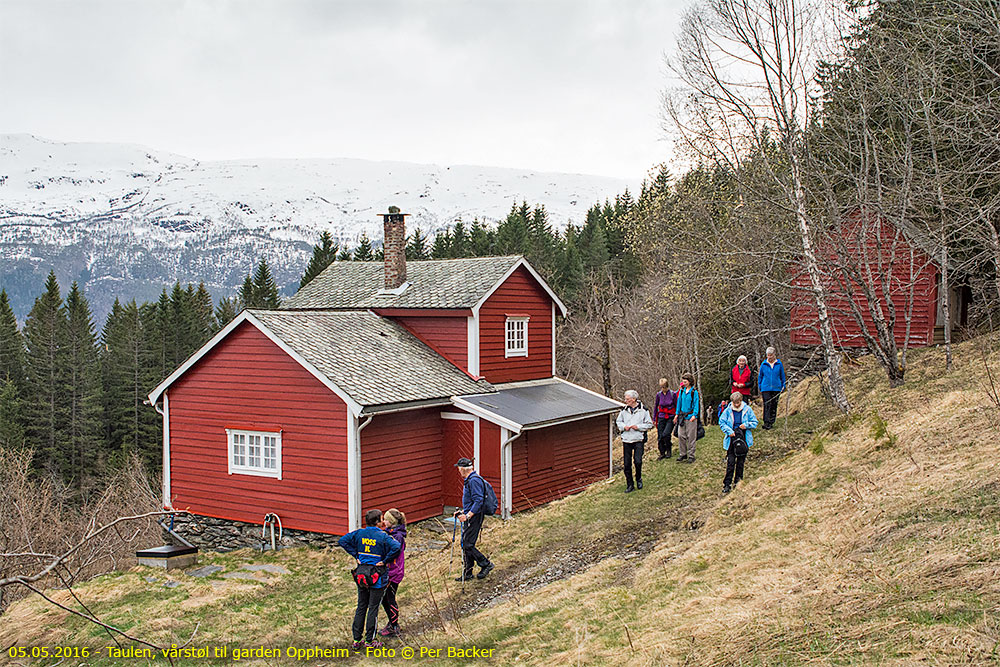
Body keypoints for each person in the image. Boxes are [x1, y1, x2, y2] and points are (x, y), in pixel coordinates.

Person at [338, 509, 401, 649]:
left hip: (361, 575)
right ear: (378, 522)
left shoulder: (359, 533)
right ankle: (370, 641)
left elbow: (342, 541)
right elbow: (396, 547)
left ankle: (356, 639)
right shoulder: (382, 536)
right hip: (377, 578)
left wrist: (357, 555)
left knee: (361, 607)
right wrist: (385, 560)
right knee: (373, 608)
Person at [454, 458, 495, 581]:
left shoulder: (473, 481)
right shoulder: (471, 480)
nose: (458, 471)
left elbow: (478, 500)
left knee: (467, 544)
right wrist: (463, 512)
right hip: (471, 515)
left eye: (458, 468)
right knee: (465, 543)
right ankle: (468, 573)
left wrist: (468, 515)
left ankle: (486, 564)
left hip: (474, 517)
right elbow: (472, 501)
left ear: (462, 469)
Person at [719, 390, 759, 493]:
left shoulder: (747, 410)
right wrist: (729, 431)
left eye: (738, 402)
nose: (736, 405)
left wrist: (746, 425)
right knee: (730, 462)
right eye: (734, 403)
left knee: (741, 462)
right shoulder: (728, 410)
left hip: (743, 438)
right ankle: (727, 484)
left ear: (741, 401)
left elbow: (755, 422)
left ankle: (738, 482)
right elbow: (722, 422)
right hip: (732, 438)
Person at [616, 389, 653, 492]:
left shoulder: (643, 410)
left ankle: (638, 478)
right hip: (626, 439)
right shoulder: (623, 410)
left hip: (638, 439)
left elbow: (649, 424)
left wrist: (638, 427)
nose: (626, 400)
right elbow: (618, 421)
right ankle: (630, 484)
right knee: (627, 464)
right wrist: (624, 427)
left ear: (633, 399)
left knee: (638, 461)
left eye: (628, 399)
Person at [378, 508, 407, 638]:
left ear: (390, 522)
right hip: (389, 571)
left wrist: (384, 561)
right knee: (384, 598)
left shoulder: (397, 536)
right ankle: (392, 623)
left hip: (394, 572)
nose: (383, 521)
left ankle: (394, 625)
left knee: (389, 598)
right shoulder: (390, 533)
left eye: (385, 519)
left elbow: (394, 552)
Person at [758, 346, 787, 430]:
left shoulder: (779, 364)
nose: (769, 357)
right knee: (767, 404)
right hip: (766, 388)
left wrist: (783, 385)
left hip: (776, 387)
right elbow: (760, 376)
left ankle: (771, 421)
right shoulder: (763, 364)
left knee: (774, 404)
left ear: (774, 355)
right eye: (768, 355)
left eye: (771, 355)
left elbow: (782, 375)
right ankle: (766, 422)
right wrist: (760, 386)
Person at [674, 373, 700, 463]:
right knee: (681, 435)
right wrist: (677, 414)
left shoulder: (694, 392)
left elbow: (696, 404)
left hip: (691, 416)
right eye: (683, 381)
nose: (684, 383)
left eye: (685, 381)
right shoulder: (681, 391)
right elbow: (679, 403)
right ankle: (683, 453)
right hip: (682, 416)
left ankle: (691, 455)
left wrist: (694, 415)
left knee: (691, 436)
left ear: (690, 382)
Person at [652, 379, 677, 460]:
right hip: (661, 416)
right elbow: (656, 406)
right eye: (662, 387)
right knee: (660, 436)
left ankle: (669, 450)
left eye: (664, 387)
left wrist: (676, 416)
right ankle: (662, 453)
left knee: (666, 434)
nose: (663, 389)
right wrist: (654, 418)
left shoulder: (673, 394)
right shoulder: (658, 395)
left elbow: (676, 406)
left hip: (670, 416)